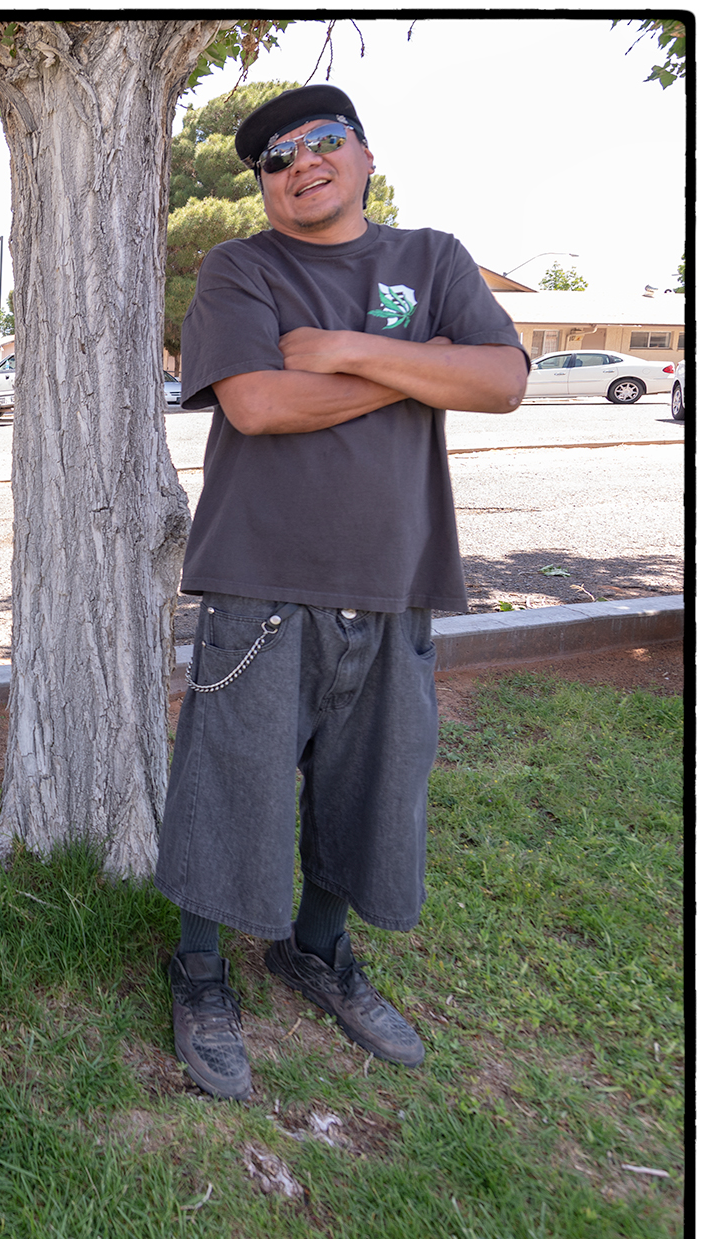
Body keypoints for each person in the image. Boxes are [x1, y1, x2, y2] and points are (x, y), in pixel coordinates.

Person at [153, 87, 529, 1100]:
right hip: (261, 581)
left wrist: (357, 351)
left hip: (397, 582)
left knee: (372, 792)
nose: (299, 164)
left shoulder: (433, 259)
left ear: (364, 155)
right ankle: (197, 970)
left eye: (322, 143)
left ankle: (315, 950)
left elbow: (501, 380)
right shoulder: (243, 268)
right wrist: (424, 367)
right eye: (275, 158)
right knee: (231, 787)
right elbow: (262, 403)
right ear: (264, 186)